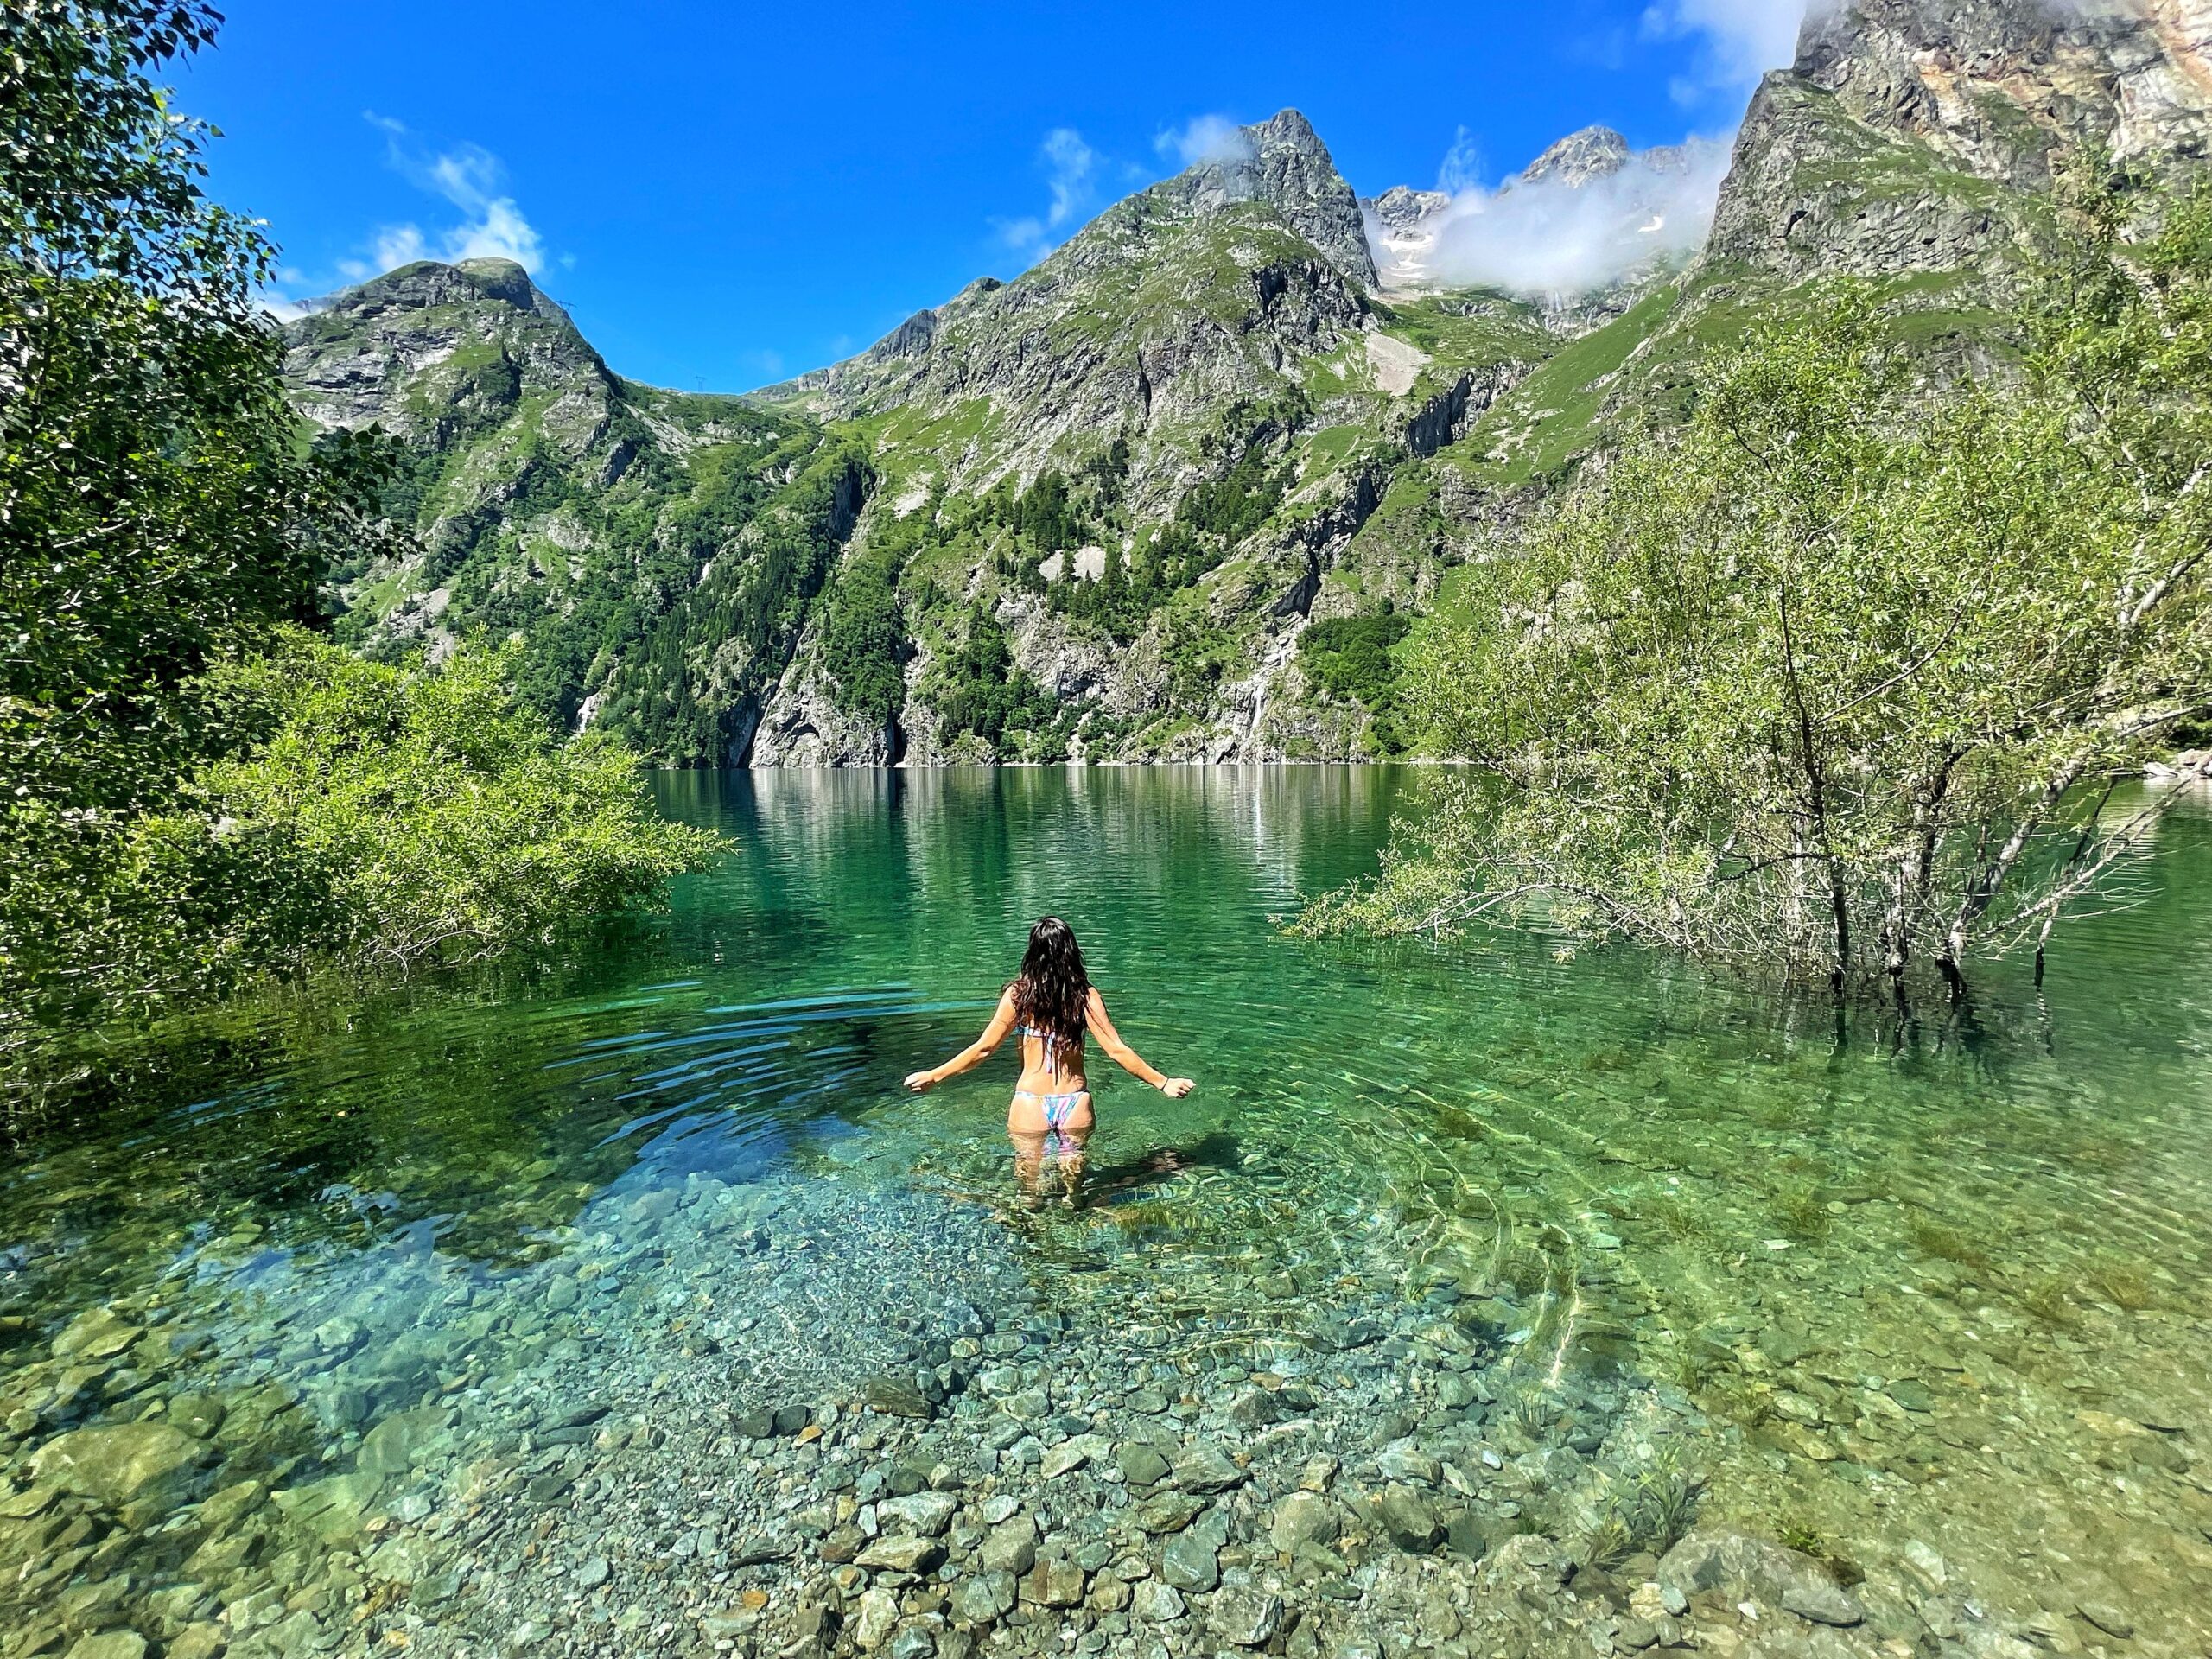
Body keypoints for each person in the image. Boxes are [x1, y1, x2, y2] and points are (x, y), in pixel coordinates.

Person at [905, 918, 1194, 1202]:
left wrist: (935, 1075)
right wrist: (1163, 1082)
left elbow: (984, 1049)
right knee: (1075, 1184)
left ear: (1032, 953)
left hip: (1031, 1102)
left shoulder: (1018, 996)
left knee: (1028, 1189)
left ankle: (1029, 1222)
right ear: (1072, 952)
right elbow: (1116, 1050)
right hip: (1074, 1102)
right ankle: (1075, 1207)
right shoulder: (1085, 997)